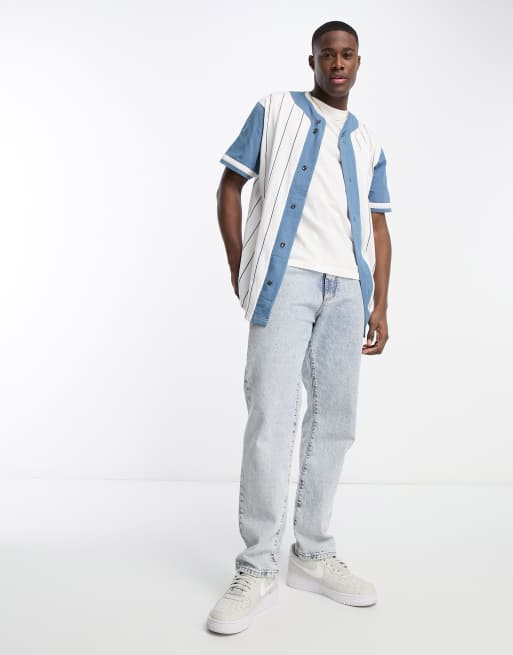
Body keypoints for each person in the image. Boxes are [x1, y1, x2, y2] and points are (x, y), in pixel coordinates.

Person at [206, 19, 393, 635]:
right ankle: (257, 567)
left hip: (347, 292)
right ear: (311, 61)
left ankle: (311, 553)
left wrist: (380, 303)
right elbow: (230, 186)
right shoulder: (275, 111)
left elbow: (379, 226)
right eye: (327, 54)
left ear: (359, 63)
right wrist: (240, 266)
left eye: (347, 55)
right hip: (286, 283)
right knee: (272, 418)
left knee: (336, 422)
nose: (337, 63)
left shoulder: (368, 141)